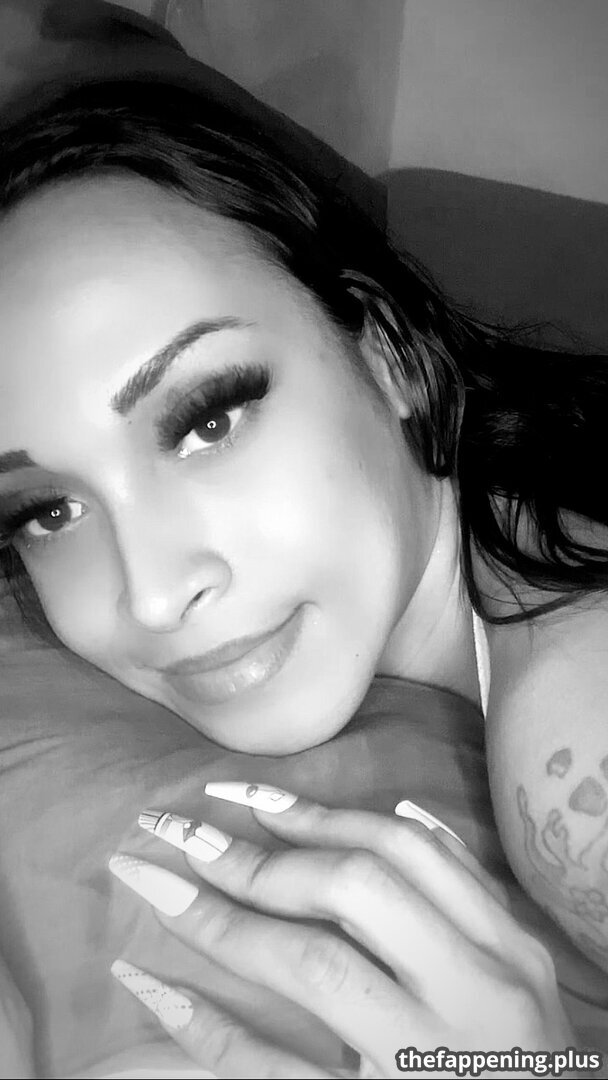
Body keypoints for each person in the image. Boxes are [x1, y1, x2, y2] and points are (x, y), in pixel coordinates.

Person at [0, 74, 607, 1078]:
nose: (153, 595)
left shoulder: (580, 761)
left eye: (208, 420)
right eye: (48, 512)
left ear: (390, 356)